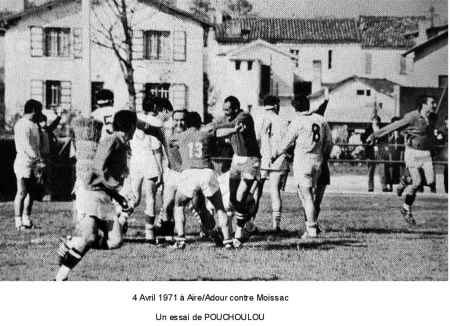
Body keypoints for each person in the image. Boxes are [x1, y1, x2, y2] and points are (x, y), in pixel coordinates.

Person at [55, 110, 137, 281]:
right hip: (90, 193)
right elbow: (99, 168)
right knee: (88, 238)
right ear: (132, 127)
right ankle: (59, 278)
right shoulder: (112, 140)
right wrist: (119, 188)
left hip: (104, 195)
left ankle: (71, 243)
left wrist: (118, 197)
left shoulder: (122, 143)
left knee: (116, 241)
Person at [367, 95, 437, 225]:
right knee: (418, 183)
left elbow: (428, 134)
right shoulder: (412, 116)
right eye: (432, 103)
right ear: (424, 104)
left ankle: (406, 179)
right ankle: (406, 208)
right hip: (412, 152)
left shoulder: (433, 117)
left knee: (431, 181)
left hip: (426, 154)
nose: (435, 105)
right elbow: (395, 126)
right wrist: (374, 135)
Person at [271, 95, 333, 239]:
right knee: (312, 197)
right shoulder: (320, 119)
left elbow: (286, 142)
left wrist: (275, 154)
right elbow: (329, 143)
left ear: (295, 108)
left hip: (303, 162)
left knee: (307, 197)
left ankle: (312, 230)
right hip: (318, 161)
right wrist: (324, 156)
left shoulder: (297, 121)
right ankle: (311, 227)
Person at [171, 112, 233, 249]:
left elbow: (171, 142)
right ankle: (228, 241)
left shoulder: (179, 136)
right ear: (200, 123)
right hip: (206, 172)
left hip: (189, 173)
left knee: (179, 205)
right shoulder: (206, 134)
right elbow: (217, 135)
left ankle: (180, 240)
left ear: (186, 123)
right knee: (219, 207)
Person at [212, 96, 261, 248]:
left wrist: (215, 127)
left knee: (240, 197)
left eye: (227, 110)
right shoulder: (229, 119)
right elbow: (218, 132)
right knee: (233, 199)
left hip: (250, 161)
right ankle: (250, 227)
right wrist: (215, 128)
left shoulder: (244, 116)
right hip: (236, 161)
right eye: (224, 110)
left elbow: (227, 126)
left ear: (235, 108)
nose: (225, 113)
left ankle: (239, 235)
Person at [126, 96, 167, 243]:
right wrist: (161, 171)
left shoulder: (134, 118)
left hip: (135, 160)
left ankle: (121, 220)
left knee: (134, 197)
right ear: (155, 106)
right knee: (150, 198)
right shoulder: (154, 122)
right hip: (149, 159)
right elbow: (156, 149)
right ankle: (149, 234)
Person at [252, 95, 289, 233]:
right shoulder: (283, 121)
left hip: (262, 159)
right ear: (276, 106)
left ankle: (250, 223)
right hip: (278, 159)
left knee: (256, 192)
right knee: (275, 191)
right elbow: (287, 143)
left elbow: (255, 140)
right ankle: (276, 226)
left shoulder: (259, 119)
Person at [13, 99, 44, 230]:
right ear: (33, 110)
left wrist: (38, 160)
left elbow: (36, 146)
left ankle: (27, 219)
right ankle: (18, 221)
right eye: (39, 110)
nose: (40, 113)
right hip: (23, 162)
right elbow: (25, 145)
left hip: (33, 163)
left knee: (31, 193)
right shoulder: (22, 124)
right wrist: (37, 159)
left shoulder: (33, 125)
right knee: (22, 192)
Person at [361, 115, 392, 192]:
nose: (377, 122)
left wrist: (380, 141)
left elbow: (385, 139)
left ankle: (384, 186)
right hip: (371, 152)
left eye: (378, 120)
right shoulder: (368, 129)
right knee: (370, 170)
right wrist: (369, 141)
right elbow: (363, 138)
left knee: (382, 170)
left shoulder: (381, 129)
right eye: (375, 120)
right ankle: (370, 187)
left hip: (380, 152)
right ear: (372, 121)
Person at [38, 108, 63, 201]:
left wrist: (59, 116)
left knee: (47, 176)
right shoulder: (37, 132)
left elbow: (54, 124)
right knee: (39, 177)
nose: (44, 123)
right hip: (39, 157)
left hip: (48, 156)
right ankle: (38, 194)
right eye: (41, 121)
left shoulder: (48, 130)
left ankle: (47, 195)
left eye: (44, 121)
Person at [388, 117, 405, 190]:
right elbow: (388, 142)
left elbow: (403, 145)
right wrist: (393, 136)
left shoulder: (401, 134)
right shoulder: (389, 133)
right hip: (391, 153)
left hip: (399, 153)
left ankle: (401, 186)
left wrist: (401, 155)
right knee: (391, 169)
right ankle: (390, 185)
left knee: (400, 169)